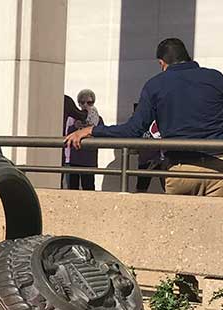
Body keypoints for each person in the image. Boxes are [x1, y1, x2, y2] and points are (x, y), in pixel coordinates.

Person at [66, 38, 223, 197]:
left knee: (179, 220)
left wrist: (92, 130)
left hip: (180, 169)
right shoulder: (216, 78)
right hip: (219, 166)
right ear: (188, 56)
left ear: (162, 63)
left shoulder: (156, 84)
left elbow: (132, 130)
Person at [63, 89, 103, 190]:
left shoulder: (98, 119)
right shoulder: (73, 117)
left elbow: (102, 133)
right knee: (72, 188)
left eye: (89, 102)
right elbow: (67, 134)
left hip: (89, 159)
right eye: (82, 102)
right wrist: (75, 127)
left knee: (89, 187)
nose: (85, 105)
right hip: (74, 158)